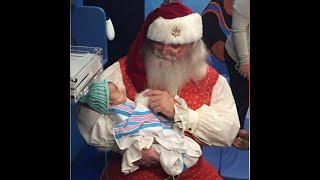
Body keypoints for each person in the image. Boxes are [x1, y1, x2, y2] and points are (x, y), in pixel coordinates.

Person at [77, 2, 240, 179]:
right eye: (158, 43)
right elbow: (88, 121)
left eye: (175, 45)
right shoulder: (122, 71)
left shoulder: (211, 80)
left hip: (188, 166)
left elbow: (227, 132)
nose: (165, 51)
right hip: (134, 167)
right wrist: (134, 148)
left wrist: (179, 112)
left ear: (192, 45)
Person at [78, 79, 202, 177]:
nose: (121, 89)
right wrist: (140, 142)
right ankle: (175, 164)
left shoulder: (124, 102)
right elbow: (124, 129)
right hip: (147, 137)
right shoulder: (115, 113)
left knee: (185, 144)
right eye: (116, 91)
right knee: (168, 149)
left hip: (156, 124)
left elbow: (141, 110)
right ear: (109, 103)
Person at [224, 0, 250, 150]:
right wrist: (244, 61)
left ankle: (236, 128)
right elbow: (238, 29)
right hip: (239, 56)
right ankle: (232, 132)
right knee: (240, 96)